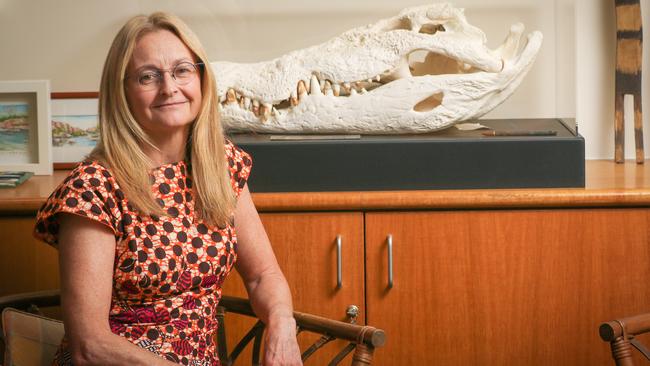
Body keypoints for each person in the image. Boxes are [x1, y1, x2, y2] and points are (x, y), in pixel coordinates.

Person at [33, 12, 302, 366]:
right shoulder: (93, 187)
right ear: (122, 90)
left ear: (201, 78)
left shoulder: (221, 166)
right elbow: (90, 345)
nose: (169, 88)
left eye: (182, 70)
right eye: (149, 76)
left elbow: (262, 276)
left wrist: (283, 325)